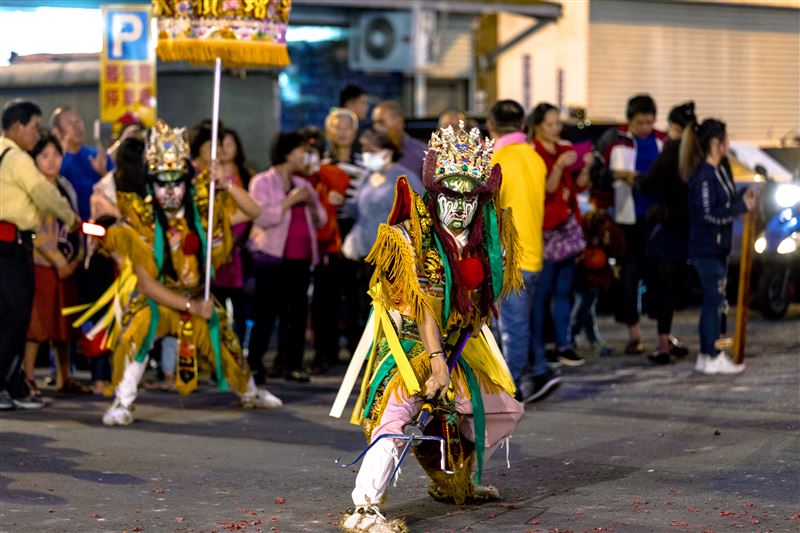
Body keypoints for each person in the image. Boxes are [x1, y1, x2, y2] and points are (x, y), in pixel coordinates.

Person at [337, 123, 524, 532]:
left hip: (455, 346)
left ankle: (448, 479)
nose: (458, 208)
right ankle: (364, 508)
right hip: (406, 347)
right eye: (450, 196)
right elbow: (420, 308)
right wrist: (437, 363)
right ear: (435, 193)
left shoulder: (485, 239)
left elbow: (479, 304)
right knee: (398, 417)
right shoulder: (409, 238)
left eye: (468, 197)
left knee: (499, 409)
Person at [91, 120, 282, 426]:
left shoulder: (203, 212)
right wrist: (192, 307)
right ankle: (122, 402)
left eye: (176, 182)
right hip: (160, 300)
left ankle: (249, 391)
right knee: (136, 332)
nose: (169, 191)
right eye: (162, 182)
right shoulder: (142, 220)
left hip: (197, 296)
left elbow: (253, 212)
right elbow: (147, 284)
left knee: (227, 339)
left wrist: (227, 183)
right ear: (151, 182)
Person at [0, 100, 79, 410]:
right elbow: (41, 191)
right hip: (12, 245)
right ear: (18, 127)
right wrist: (70, 218)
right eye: (34, 128)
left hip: (8, 244)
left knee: (9, 315)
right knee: (16, 316)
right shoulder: (17, 157)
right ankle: (7, 386)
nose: (36, 135)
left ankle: (14, 386)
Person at [247, 132, 327, 383]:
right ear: (287, 153)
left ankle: (294, 364)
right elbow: (262, 217)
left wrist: (312, 204)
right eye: (302, 151)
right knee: (266, 312)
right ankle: (255, 364)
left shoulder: (304, 185)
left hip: (301, 258)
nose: (306, 156)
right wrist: (288, 201)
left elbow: (322, 220)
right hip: (272, 256)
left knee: (297, 314)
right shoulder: (262, 182)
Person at [486, 100, 551, 402]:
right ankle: (526, 376)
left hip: (508, 257)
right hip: (534, 254)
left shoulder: (497, 159)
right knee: (518, 323)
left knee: (511, 326)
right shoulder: (534, 157)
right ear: (523, 125)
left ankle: (510, 388)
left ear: (491, 125)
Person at [683, 119, 757, 375]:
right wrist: (738, 208)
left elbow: (725, 201)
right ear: (715, 143)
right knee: (714, 301)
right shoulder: (704, 176)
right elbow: (707, 214)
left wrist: (743, 195)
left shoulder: (720, 171)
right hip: (706, 249)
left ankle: (706, 355)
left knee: (713, 301)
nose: (729, 144)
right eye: (726, 139)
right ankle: (713, 355)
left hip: (718, 248)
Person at [596, 94, 667, 355]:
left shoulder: (662, 140)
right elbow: (597, 174)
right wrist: (619, 176)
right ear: (629, 120)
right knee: (629, 277)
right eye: (640, 123)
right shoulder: (614, 141)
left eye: (649, 122)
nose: (645, 128)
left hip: (658, 219)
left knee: (661, 277)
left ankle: (664, 333)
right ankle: (634, 334)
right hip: (627, 219)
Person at [528, 103, 593, 370]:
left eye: (557, 123)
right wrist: (556, 166)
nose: (556, 128)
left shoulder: (565, 148)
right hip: (544, 229)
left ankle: (564, 343)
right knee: (542, 292)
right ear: (537, 126)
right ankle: (541, 346)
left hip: (567, 227)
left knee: (564, 291)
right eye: (550, 124)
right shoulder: (532, 152)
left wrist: (585, 167)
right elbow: (546, 190)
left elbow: (578, 186)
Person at [23, 134, 86, 396]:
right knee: (37, 325)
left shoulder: (65, 185)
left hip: (68, 263)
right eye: (44, 156)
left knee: (64, 324)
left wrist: (77, 257)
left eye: (56, 155)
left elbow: (76, 223)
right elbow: (36, 231)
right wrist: (59, 262)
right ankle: (27, 378)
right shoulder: (35, 188)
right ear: (34, 160)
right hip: (43, 264)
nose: (51, 161)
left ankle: (65, 376)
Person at [637, 102, 697, 364]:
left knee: (661, 288)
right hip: (687, 232)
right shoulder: (698, 150)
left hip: (666, 232)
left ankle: (662, 344)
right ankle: (669, 337)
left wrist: (635, 179)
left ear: (674, 127)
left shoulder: (672, 149)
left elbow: (649, 184)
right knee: (674, 289)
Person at [299, 127, 351, 374]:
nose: (308, 157)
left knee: (325, 305)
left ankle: (324, 354)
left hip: (327, 248)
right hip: (300, 247)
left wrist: (317, 167)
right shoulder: (295, 176)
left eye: (312, 152)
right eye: (304, 152)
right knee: (301, 307)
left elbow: (341, 181)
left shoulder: (327, 173)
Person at [211, 126, 253, 342]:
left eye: (229, 144)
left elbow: (252, 211)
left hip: (239, 250)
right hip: (215, 250)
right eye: (219, 145)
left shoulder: (246, 176)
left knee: (240, 306)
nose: (224, 150)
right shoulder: (207, 178)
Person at [571, 188, 625, 357]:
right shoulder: (583, 209)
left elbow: (617, 246)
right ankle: (572, 337)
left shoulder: (603, 218)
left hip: (594, 267)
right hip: (580, 264)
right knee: (583, 306)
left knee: (587, 305)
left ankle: (583, 339)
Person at [50, 106, 112, 221]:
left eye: (78, 121)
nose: (76, 126)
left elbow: (116, 193)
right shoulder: (52, 162)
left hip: (98, 224)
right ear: (57, 131)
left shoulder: (98, 156)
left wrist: (103, 172)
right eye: (69, 123)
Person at [371, 101, 427, 177]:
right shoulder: (370, 152)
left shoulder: (421, 152)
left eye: (381, 122)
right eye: (375, 123)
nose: (376, 127)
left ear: (399, 121)